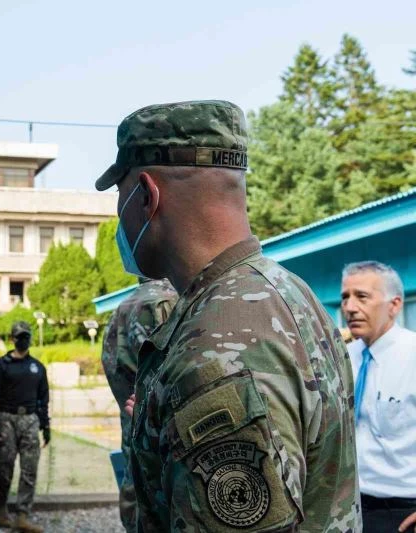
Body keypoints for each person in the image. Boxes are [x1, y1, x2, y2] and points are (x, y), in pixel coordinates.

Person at [98, 100, 360, 531]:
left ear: (147, 195)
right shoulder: (290, 293)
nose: (119, 215)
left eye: (120, 196)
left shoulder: (214, 351)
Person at [341, 261, 416, 533]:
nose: (349, 307)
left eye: (361, 296)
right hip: (350, 508)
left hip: (403, 512)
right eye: (345, 297)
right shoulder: (345, 358)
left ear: (394, 305)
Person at [100, 278, 177, 532]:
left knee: (135, 486)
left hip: (132, 422)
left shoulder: (120, 309)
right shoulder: (168, 301)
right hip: (166, 432)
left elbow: (112, 367)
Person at [0, 321, 49, 533]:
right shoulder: (1, 366)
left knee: (29, 469)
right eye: (20, 336)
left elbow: (43, 400)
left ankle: (22, 515)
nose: (23, 340)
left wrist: (45, 427)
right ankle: (1, 509)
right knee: (5, 468)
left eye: (26, 336)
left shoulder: (38, 367)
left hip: (30, 420)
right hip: (7, 419)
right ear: (12, 339)